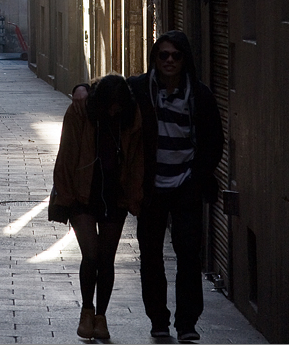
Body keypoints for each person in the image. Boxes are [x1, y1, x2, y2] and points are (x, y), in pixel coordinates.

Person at [72, 31, 224, 343]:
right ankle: (158, 321)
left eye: (175, 56)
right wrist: (81, 89)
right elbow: (106, 92)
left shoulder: (200, 95)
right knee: (151, 256)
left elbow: (213, 141)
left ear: (184, 60)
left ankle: (186, 324)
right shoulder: (138, 88)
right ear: (154, 58)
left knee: (188, 254)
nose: (169, 60)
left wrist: (198, 177)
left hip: (186, 186)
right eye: (163, 55)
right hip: (150, 188)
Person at [52, 74, 144, 341]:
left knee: (106, 259)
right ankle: (86, 310)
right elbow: (66, 155)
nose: (115, 110)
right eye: (110, 104)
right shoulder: (80, 112)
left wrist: (134, 195)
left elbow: (137, 160)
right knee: (90, 255)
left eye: (119, 105)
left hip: (115, 196)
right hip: (83, 194)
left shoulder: (131, 117)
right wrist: (65, 198)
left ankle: (101, 317)